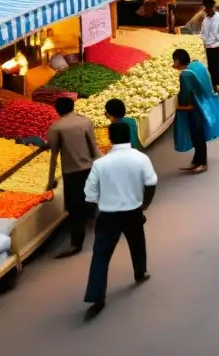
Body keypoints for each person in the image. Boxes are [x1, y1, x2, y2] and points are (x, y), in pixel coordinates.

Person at [82, 121, 157, 320]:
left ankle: (96, 297)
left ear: (109, 137)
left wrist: (94, 214)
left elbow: (89, 194)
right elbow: (151, 183)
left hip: (108, 215)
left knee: (101, 255)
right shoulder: (141, 159)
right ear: (130, 136)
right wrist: (144, 205)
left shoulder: (100, 163)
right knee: (137, 242)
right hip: (133, 211)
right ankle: (140, 272)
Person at [47, 96, 101, 258]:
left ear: (57, 110)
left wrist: (50, 179)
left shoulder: (56, 128)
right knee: (93, 197)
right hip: (90, 167)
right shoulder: (85, 122)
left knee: (75, 208)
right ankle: (99, 221)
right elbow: (93, 146)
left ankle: (76, 244)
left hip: (72, 172)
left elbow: (54, 155)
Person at [172, 48, 219, 173]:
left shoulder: (185, 74)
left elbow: (185, 93)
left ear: (177, 61)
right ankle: (197, 160)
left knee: (197, 135)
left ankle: (202, 162)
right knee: (198, 134)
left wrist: (180, 106)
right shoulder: (196, 65)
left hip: (193, 107)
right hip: (204, 103)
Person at [199, 0, 219, 99]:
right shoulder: (206, 19)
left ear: (214, 7)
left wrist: (213, 39)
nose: (208, 11)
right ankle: (215, 88)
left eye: (209, 8)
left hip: (216, 47)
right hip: (207, 47)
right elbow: (203, 33)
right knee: (211, 69)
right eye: (206, 9)